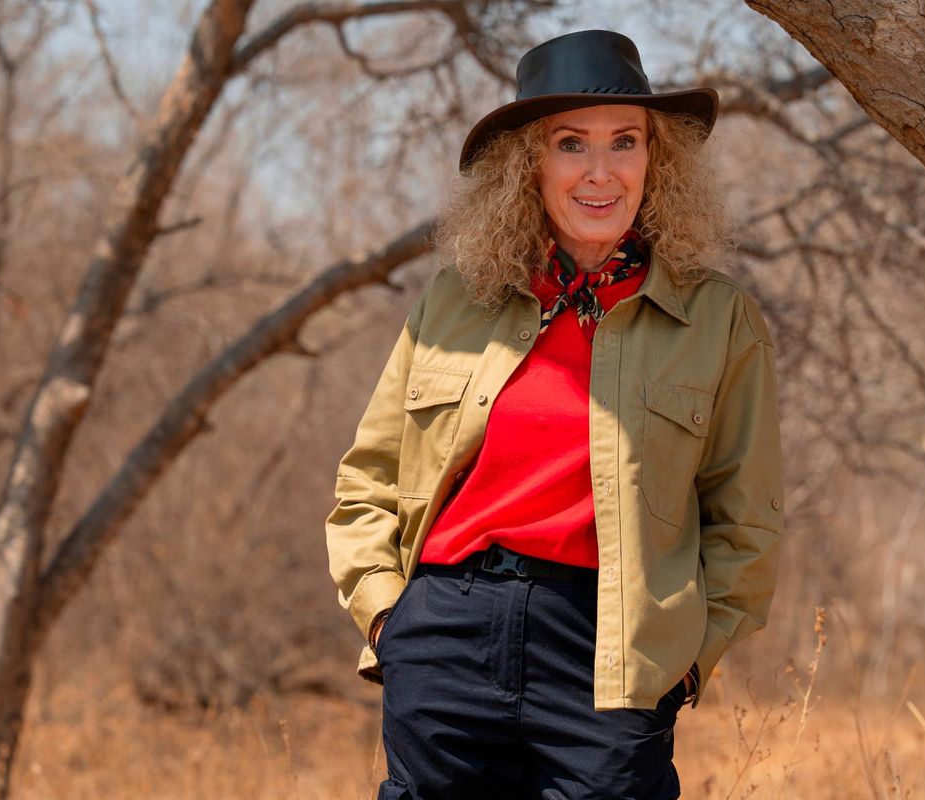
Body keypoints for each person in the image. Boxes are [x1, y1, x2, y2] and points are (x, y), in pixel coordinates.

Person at [326, 29, 785, 800]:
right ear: (526, 166)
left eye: (625, 143)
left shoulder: (719, 320)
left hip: (609, 649)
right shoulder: (455, 300)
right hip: (447, 632)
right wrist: (389, 624)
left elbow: (747, 525)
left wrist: (681, 663)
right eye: (570, 144)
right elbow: (367, 479)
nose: (600, 172)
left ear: (655, 159)